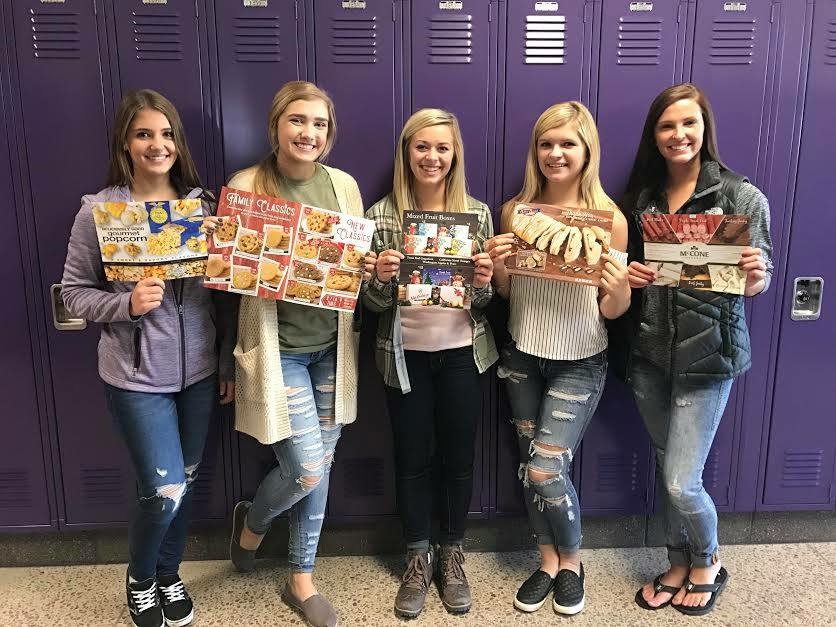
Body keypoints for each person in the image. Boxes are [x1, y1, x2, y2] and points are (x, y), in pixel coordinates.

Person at [62, 89, 234, 627]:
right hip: (136, 377)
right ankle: (140, 577)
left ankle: (168, 572)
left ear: (178, 144)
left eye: (166, 134)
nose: (157, 145)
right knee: (161, 490)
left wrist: (225, 360)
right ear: (126, 143)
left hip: (201, 373)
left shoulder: (204, 208)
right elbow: (72, 294)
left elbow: (231, 297)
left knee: (183, 481)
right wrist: (126, 304)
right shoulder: (101, 212)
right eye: (143, 134)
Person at [222, 81, 375, 627]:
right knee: (307, 469)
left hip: (333, 350)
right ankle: (252, 526)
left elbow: (357, 269)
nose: (308, 133)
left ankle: (300, 578)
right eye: (297, 121)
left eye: (319, 124)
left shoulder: (345, 188)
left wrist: (369, 269)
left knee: (321, 465)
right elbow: (228, 284)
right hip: (277, 351)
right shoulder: (246, 186)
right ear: (276, 126)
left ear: (329, 134)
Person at [617, 83, 772, 616]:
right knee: (667, 467)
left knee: (683, 480)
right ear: (654, 136)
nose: (678, 135)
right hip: (650, 357)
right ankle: (677, 560)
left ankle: (707, 560)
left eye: (688, 123)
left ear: (705, 128)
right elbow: (630, 273)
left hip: (709, 359)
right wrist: (633, 277)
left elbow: (757, 279)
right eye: (666, 126)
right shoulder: (643, 199)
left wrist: (756, 274)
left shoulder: (740, 197)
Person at [484, 101, 630, 616]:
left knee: (547, 469)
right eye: (546, 143)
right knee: (531, 467)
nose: (555, 153)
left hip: (581, 359)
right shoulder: (515, 212)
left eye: (567, 143)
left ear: (587, 149)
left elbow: (611, 310)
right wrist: (499, 271)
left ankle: (572, 561)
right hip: (523, 355)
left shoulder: (610, 221)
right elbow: (507, 295)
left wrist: (621, 293)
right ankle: (546, 560)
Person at [364, 109, 497, 618]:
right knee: (413, 460)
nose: (432, 157)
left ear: (455, 154)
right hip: (404, 360)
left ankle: (452, 552)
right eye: (422, 147)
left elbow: (484, 305)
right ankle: (417, 556)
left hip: (463, 355)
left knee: (459, 459)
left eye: (442, 148)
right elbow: (371, 308)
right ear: (407, 153)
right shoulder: (381, 216)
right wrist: (379, 278)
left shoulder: (478, 215)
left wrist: (484, 283)